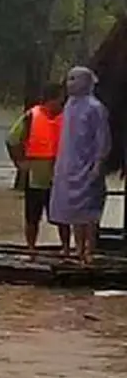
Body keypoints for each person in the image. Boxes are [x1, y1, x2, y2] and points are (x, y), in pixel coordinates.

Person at [49, 66, 112, 267]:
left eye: (75, 79)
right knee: (73, 211)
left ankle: (89, 250)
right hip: (68, 166)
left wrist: (98, 164)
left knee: (89, 212)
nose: (70, 83)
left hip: (88, 165)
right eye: (69, 79)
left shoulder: (96, 108)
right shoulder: (69, 106)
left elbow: (103, 139)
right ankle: (77, 250)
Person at [7, 83, 70, 258]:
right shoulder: (30, 117)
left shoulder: (67, 118)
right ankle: (31, 248)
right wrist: (19, 162)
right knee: (32, 215)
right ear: (51, 99)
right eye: (60, 99)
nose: (63, 102)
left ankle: (65, 248)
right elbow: (12, 139)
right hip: (35, 174)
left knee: (62, 215)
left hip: (60, 174)